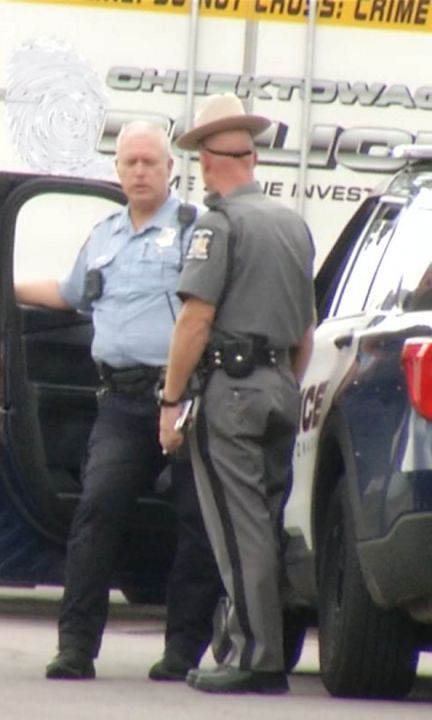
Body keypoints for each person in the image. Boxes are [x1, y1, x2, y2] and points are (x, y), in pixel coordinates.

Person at [19, 123, 224, 682]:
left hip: (185, 398)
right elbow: (68, 294)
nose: (138, 171)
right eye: (129, 162)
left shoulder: (194, 230)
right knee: (95, 513)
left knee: (196, 522)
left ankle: (183, 652)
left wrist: (177, 397)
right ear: (116, 170)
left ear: (170, 169)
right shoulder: (103, 235)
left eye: (149, 162)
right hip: (122, 402)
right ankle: (75, 647)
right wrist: (0, 290)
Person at [157, 93, 315, 695]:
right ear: (250, 157)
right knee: (264, 523)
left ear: (208, 161)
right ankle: (256, 645)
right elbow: (306, 327)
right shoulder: (292, 224)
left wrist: (171, 401)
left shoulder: (218, 224)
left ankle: (255, 656)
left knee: (236, 528)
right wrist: (285, 381)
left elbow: (195, 321)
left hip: (232, 392)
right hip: (280, 385)